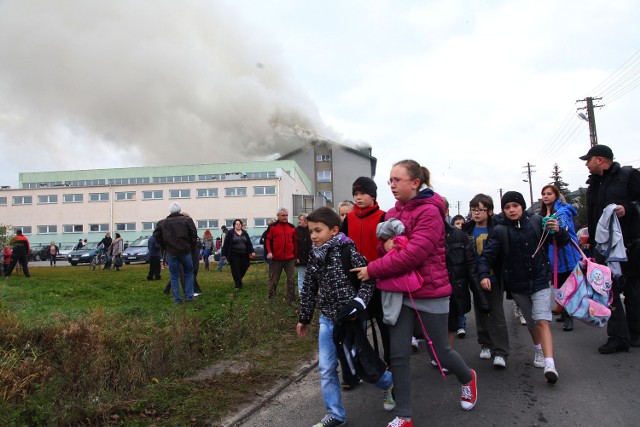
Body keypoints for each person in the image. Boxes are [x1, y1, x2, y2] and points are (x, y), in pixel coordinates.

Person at [352, 160, 478, 426]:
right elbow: (381, 248)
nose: (392, 185)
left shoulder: (430, 212)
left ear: (415, 182)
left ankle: (467, 378)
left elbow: (413, 255)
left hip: (430, 291)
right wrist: (386, 245)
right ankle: (404, 415)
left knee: (441, 353)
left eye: (397, 180)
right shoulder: (393, 213)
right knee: (398, 355)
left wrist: (373, 269)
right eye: (390, 180)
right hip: (398, 291)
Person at [297, 207, 395, 427]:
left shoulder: (347, 251)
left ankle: (389, 383)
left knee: (361, 365)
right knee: (326, 367)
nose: (313, 236)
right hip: (327, 319)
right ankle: (335, 414)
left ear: (333, 230)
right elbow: (309, 288)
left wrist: (357, 304)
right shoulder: (315, 254)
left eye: (317, 231)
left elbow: (368, 279)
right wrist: (304, 317)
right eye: (311, 231)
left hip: (350, 320)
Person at [478, 191, 569, 384]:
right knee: (531, 321)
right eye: (507, 207)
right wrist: (484, 274)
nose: (511, 210)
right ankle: (537, 349)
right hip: (517, 285)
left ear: (522, 206)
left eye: (515, 206)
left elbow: (562, 241)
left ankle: (549, 363)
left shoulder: (538, 221)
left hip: (540, 280)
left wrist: (558, 230)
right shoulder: (500, 229)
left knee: (543, 320)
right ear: (503, 210)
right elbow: (488, 255)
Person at [580, 145, 640, 353]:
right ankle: (618, 337)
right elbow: (594, 217)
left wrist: (629, 209)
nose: (586, 165)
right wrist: (590, 239)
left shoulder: (629, 176)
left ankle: (636, 333)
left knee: (634, 291)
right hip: (603, 250)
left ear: (600, 160)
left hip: (631, 245)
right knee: (609, 291)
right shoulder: (593, 185)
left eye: (588, 160)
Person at [341, 177, 390, 382]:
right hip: (355, 283)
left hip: (380, 281)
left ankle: (390, 367)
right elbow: (341, 248)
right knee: (356, 329)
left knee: (385, 326)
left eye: (362, 193)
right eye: (355, 194)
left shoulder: (383, 217)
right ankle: (359, 368)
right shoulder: (348, 219)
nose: (358, 198)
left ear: (373, 195)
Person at [463, 193, 512, 366]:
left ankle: (501, 351)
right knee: (481, 312)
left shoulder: (498, 228)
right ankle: (485, 344)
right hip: (475, 279)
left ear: (490, 211)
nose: (476, 213)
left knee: (497, 314)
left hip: (495, 277)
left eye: (481, 209)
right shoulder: (466, 229)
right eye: (473, 209)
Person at [540, 184, 582, 332]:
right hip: (554, 256)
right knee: (559, 286)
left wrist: (557, 225)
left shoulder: (563, 211)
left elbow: (562, 223)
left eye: (549, 193)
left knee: (568, 286)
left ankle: (569, 317)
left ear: (556, 195)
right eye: (544, 194)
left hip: (567, 254)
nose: (546, 196)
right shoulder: (544, 212)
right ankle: (565, 312)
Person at [153, 202, 198, 304]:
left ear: (170, 211)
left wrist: (165, 246)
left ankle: (177, 299)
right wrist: (189, 246)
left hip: (171, 252)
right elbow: (194, 234)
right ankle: (189, 296)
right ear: (179, 210)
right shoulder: (187, 220)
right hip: (185, 251)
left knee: (174, 276)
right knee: (188, 273)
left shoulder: (162, 223)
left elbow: (156, 236)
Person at [266, 208, 298, 305]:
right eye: (283, 215)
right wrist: (269, 252)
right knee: (274, 279)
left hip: (290, 259)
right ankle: (271, 298)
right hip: (276, 259)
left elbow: (295, 242)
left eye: (286, 215)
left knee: (291, 279)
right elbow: (267, 241)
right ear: (278, 216)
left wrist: (296, 256)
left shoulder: (292, 227)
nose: (285, 217)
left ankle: (291, 300)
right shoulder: (272, 227)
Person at [221, 219, 255, 290]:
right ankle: (238, 285)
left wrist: (252, 251)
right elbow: (226, 244)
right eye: (236, 224)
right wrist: (224, 254)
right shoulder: (230, 233)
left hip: (244, 254)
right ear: (234, 225)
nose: (238, 225)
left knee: (245, 266)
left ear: (241, 225)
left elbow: (248, 243)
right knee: (235, 269)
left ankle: (238, 279)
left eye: (239, 224)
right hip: (234, 255)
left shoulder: (245, 233)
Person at [295, 213, 312, 296]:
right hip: (300, 258)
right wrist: (296, 256)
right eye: (299, 220)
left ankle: (310, 293)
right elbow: (294, 245)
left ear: (306, 221)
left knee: (311, 276)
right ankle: (301, 294)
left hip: (311, 258)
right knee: (301, 275)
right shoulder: (296, 231)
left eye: (301, 220)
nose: (299, 221)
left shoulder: (312, 230)